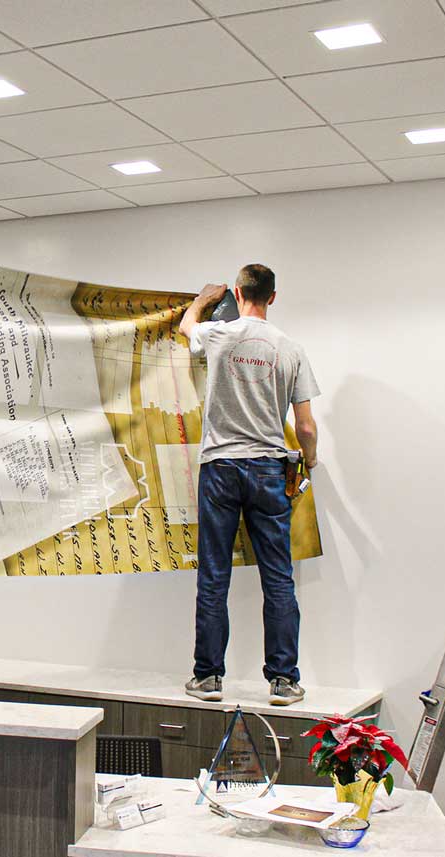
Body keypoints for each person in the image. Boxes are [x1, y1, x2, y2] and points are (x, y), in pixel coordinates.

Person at [178, 264, 319, 706]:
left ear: (238, 293)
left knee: (214, 575)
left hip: (220, 466)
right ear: (272, 298)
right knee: (278, 577)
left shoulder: (219, 335)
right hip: (267, 468)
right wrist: (308, 463)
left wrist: (202, 300)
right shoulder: (291, 349)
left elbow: (187, 327)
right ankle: (282, 681)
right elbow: (307, 426)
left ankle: (208, 678)